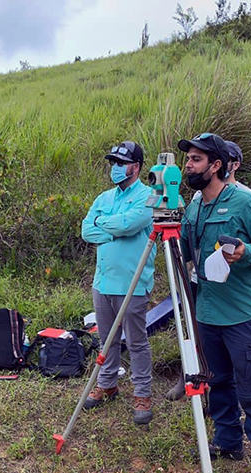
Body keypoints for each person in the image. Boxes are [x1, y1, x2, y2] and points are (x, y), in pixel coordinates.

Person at [178, 132, 251, 473]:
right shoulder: (194, 206)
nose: (188, 165)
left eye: (195, 159)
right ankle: (228, 442)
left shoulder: (244, 202)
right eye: (188, 159)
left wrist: (245, 253)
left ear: (217, 165)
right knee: (219, 382)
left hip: (243, 315)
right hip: (207, 312)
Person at [78, 141, 157, 425]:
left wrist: (106, 225)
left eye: (121, 163)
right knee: (106, 340)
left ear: (136, 166)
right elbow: (87, 230)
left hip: (133, 284)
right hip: (102, 283)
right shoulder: (105, 198)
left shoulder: (149, 196)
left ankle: (142, 393)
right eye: (113, 163)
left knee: (136, 342)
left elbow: (130, 225)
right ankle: (108, 383)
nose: (115, 168)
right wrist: (113, 229)